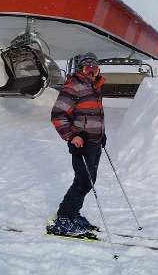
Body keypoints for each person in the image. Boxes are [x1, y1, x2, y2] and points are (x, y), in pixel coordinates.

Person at [50, 52, 106, 236]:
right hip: (81, 142)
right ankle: (64, 219)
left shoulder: (94, 87)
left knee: (88, 181)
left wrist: (101, 133)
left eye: (94, 68)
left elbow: (91, 115)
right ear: (80, 69)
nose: (91, 72)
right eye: (87, 68)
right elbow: (58, 115)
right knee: (83, 181)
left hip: (94, 142)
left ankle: (72, 214)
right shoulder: (74, 86)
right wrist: (72, 135)